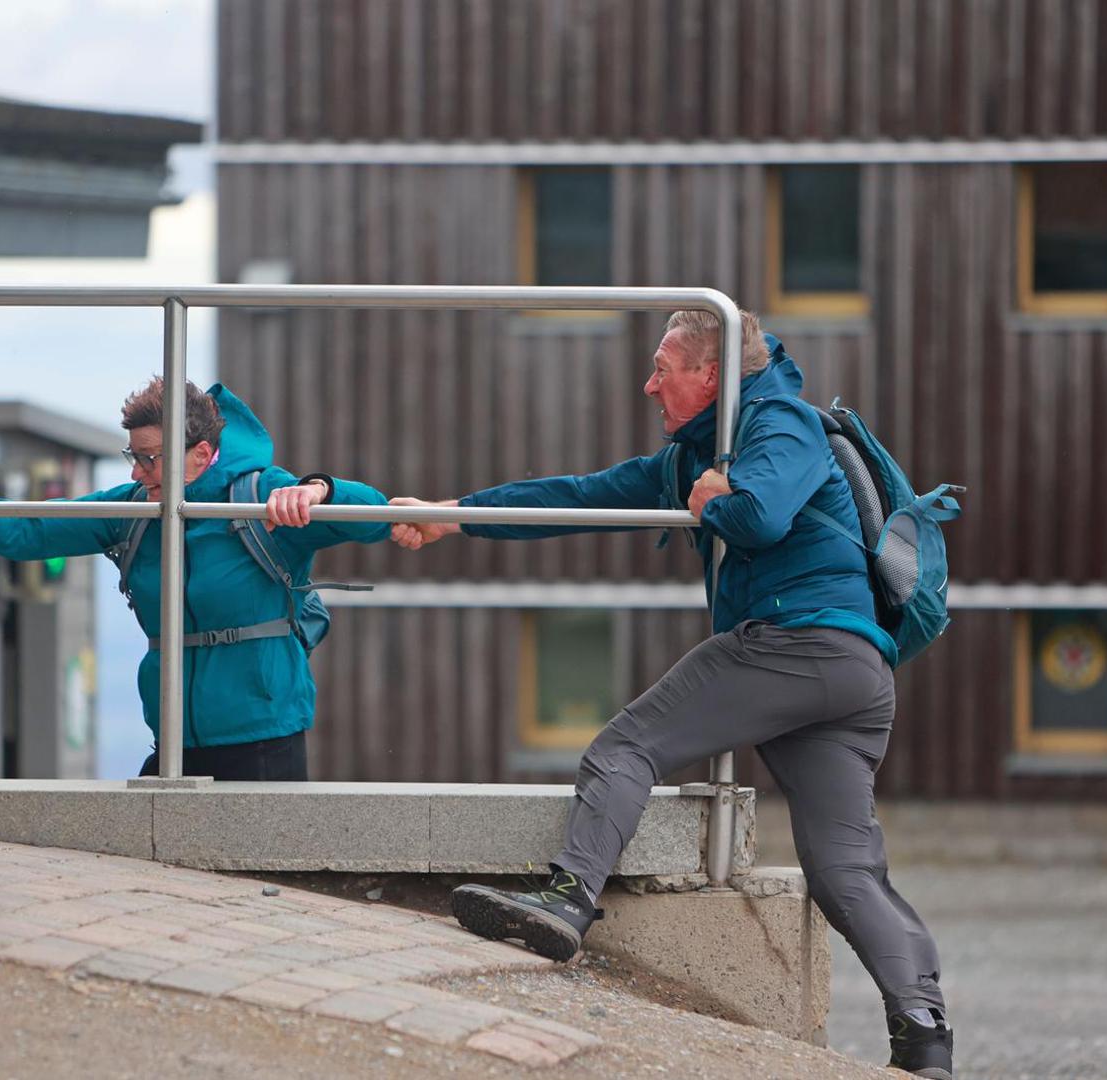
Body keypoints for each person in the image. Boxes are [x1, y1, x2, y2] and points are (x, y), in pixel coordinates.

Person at [390, 309, 954, 1079]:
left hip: (802, 642)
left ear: (711, 375)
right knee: (843, 870)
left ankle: (567, 901)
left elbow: (761, 515)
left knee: (627, 745)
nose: (649, 383)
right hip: (845, 672)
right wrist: (452, 518)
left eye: (665, 367)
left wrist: (716, 497)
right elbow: (579, 496)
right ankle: (923, 1040)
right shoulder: (693, 452)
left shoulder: (781, 422)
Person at [0, 378, 389, 781]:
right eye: (134, 455)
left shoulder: (261, 495)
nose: (136, 471)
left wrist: (320, 489)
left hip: (265, 739)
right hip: (173, 735)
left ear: (202, 454)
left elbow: (375, 518)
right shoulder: (137, 509)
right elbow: (36, 530)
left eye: (150, 458)